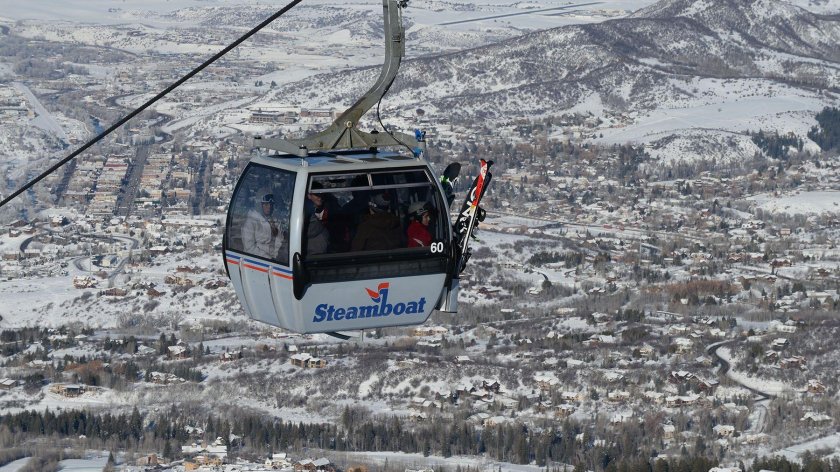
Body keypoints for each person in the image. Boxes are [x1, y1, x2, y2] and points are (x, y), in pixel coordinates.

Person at [241, 192, 282, 259]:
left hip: (276, 258)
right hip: (258, 261)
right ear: (259, 205)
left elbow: (279, 239)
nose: (269, 207)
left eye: (271, 204)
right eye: (266, 204)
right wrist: (269, 259)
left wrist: (277, 255)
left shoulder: (274, 219)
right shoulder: (251, 221)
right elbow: (249, 248)